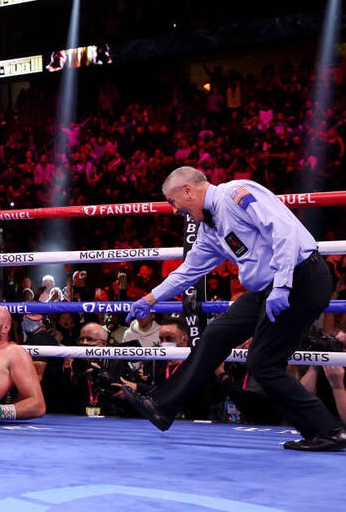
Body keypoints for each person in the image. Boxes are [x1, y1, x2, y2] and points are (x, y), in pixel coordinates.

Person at [123, 166, 345, 451]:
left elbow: (284, 231)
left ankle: (329, 431)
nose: (175, 210)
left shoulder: (237, 193)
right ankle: (162, 406)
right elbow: (188, 270)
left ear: (188, 190)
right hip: (266, 289)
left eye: (173, 201)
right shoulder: (210, 229)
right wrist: (150, 299)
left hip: (299, 278)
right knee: (216, 334)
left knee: (263, 363)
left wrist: (282, 284)